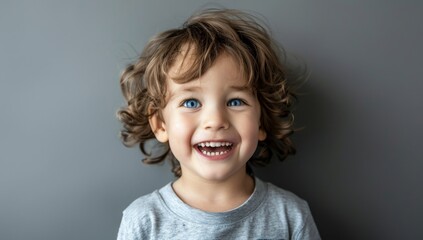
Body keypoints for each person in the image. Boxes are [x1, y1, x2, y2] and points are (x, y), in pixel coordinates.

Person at [116, 8, 320, 240]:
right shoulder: (144, 220)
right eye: (191, 102)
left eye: (235, 101)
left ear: (262, 121)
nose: (216, 121)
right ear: (161, 124)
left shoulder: (291, 216)